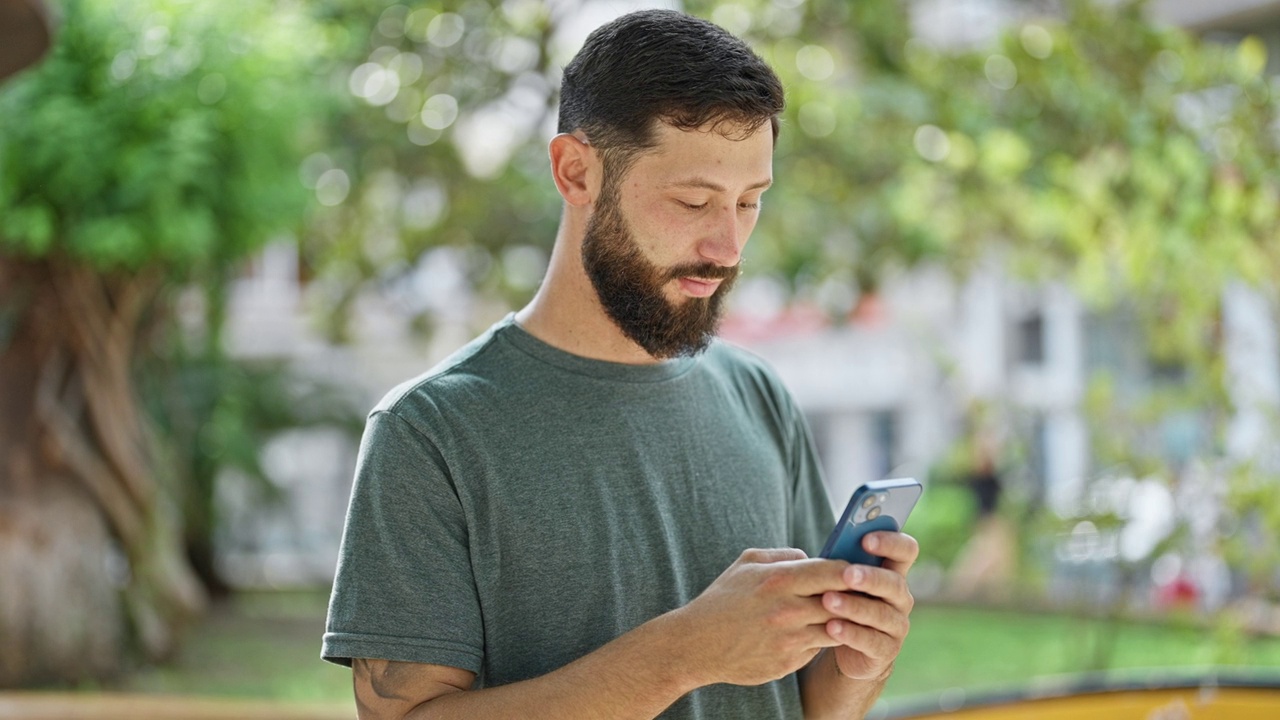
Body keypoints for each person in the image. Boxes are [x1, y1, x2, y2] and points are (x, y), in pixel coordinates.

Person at [322, 9, 919, 719]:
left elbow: (806, 702)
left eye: (750, 202)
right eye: (694, 200)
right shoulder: (430, 432)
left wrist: (858, 664)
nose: (727, 245)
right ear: (576, 171)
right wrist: (684, 653)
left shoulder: (757, 395)